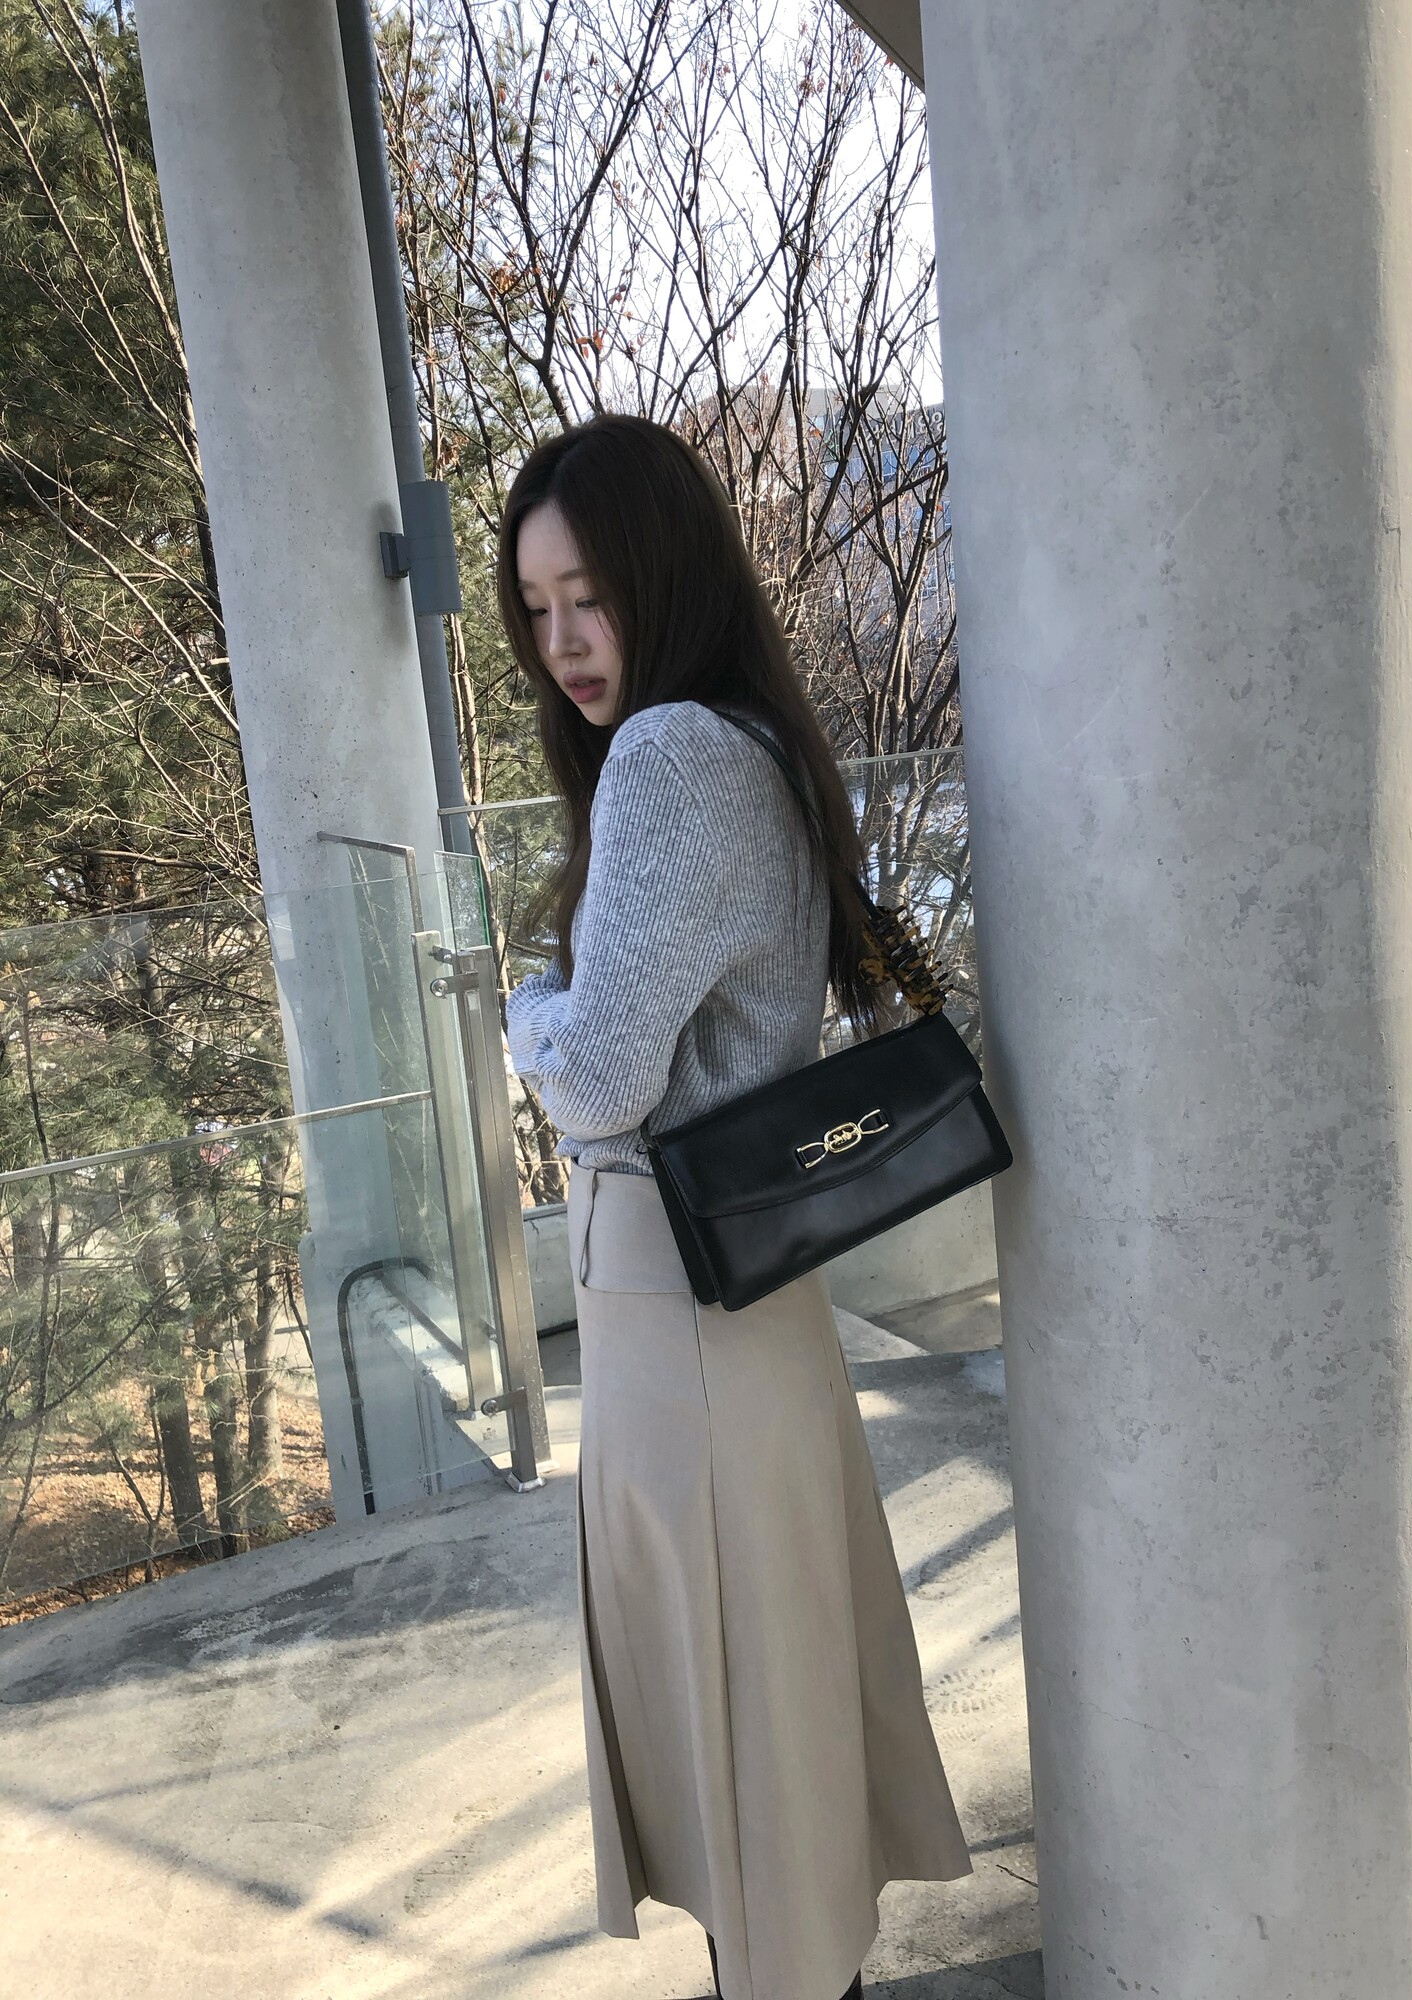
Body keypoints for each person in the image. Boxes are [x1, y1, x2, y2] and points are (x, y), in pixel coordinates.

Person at [500, 415, 971, 2000]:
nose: (564, 642)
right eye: (536, 608)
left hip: (676, 1302)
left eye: (591, 596)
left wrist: (524, 1008)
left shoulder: (671, 756)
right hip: (740, 1298)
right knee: (768, 1730)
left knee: (738, 1757)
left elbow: (595, 1078)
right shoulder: (751, 742)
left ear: (666, 575)